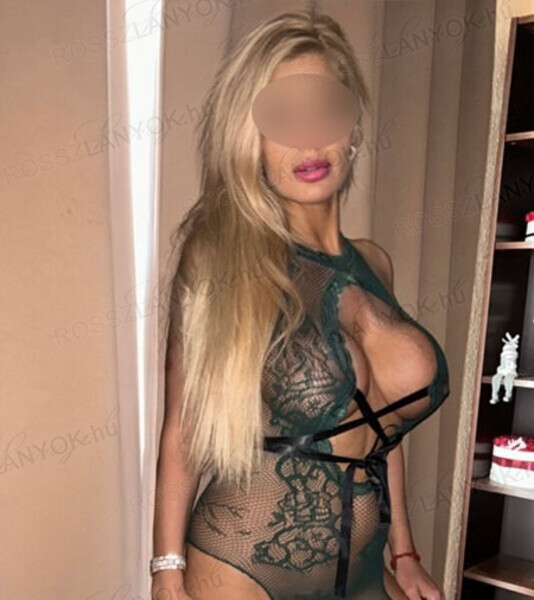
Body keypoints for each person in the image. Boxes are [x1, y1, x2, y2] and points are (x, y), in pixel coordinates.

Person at [152, 9, 450, 600]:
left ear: (353, 125)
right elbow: (183, 429)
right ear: (252, 141)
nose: (309, 137)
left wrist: (406, 553)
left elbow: (384, 433)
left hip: (363, 568)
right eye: (282, 118)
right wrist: (167, 572)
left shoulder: (376, 264)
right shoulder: (222, 260)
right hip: (242, 567)